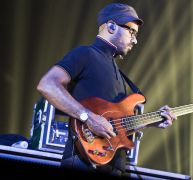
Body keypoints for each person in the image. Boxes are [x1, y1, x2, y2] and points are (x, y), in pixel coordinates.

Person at [36, 3, 176, 177]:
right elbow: (47, 84)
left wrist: (152, 121)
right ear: (111, 26)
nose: (135, 40)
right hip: (83, 161)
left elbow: (115, 127)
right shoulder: (85, 54)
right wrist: (87, 117)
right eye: (131, 31)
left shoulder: (118, 73)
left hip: (115, 166)